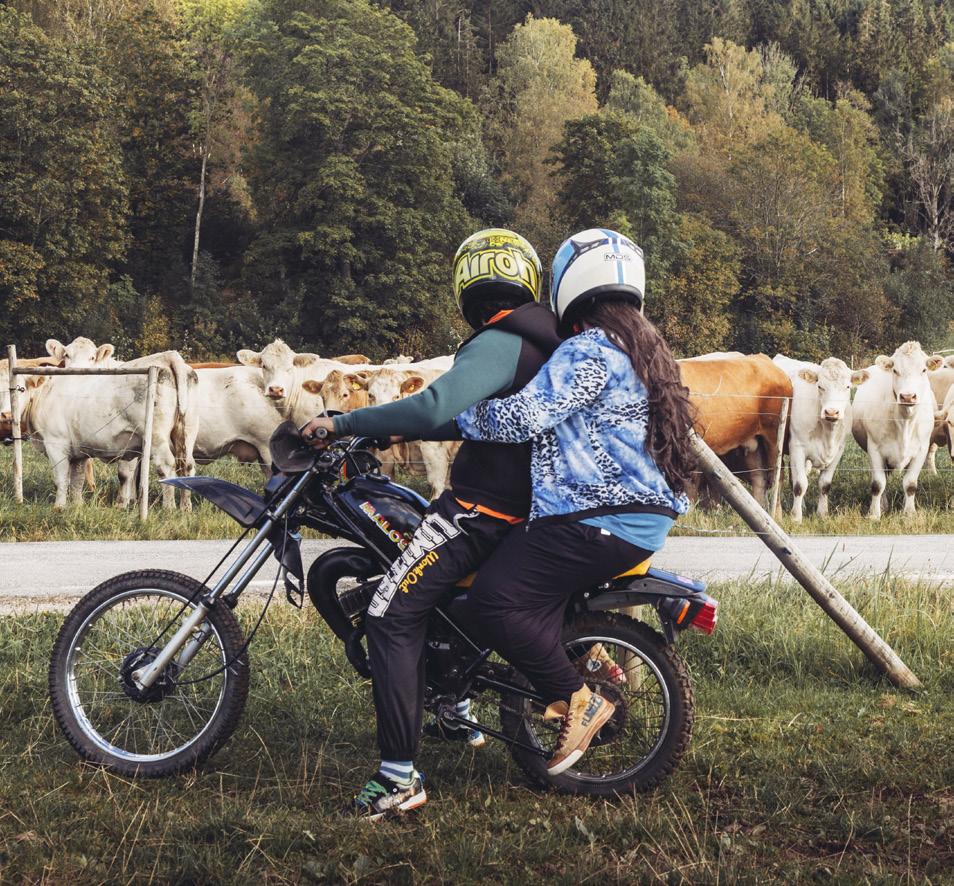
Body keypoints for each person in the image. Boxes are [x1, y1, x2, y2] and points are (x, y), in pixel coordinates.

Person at [302, 229, 563, 821]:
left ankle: (398, 778)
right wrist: (394, 429)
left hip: (480, 511)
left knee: (390, 613)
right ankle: (452, 701)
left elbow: (435, 406)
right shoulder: (543, 339)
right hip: (525, 509)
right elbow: (482, 421)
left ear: (466, 283)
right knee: (433, 598)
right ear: (526, 277)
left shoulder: (501, 338)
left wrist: (344, 422)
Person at [455, 228, 695, 775]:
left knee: (493, 601)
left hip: (591, 517)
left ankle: (577, 697)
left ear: (567, 285)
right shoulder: (648, 353)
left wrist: (453, 417)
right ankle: (594, 661)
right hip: (639, 522)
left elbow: (523, 418)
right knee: (533, 593)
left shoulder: (589, 349)